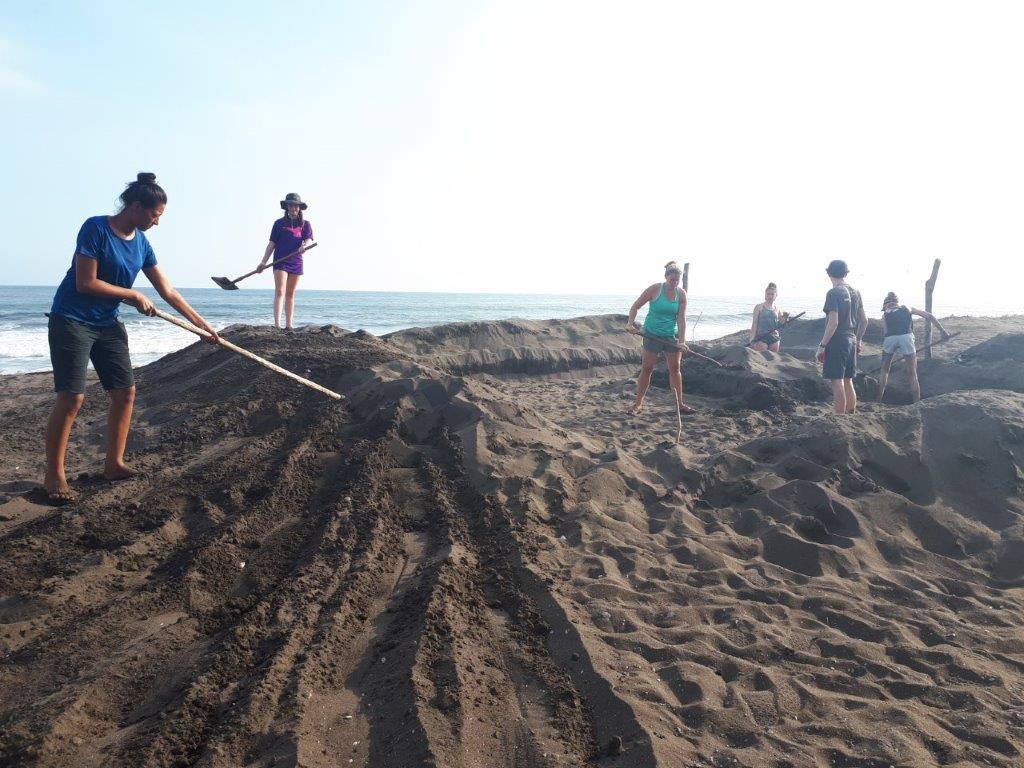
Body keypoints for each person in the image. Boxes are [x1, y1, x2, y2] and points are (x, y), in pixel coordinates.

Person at [44, 173, 220, 504]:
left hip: (107, 322)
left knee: (125, 392)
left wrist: (202, 326)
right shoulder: (95, 228)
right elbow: (86, 283)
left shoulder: (142, 243)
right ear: (137, 207)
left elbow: (167, 291)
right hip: (71, 319)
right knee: (72, 398)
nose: (156, 222)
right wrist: (132, 295)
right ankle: (54, 473)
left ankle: (114, 464)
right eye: (155, 215)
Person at [626, 261, 692, 417]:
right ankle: (638, 404)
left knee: (675, 369)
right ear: (666, 277)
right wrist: (630, 323)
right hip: (652, 334)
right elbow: (635, 306)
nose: (674, 283)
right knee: (647, 368)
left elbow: (681, 320)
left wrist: (682, 341)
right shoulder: (655, 289)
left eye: (677, 280)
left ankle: (680, 404)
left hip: (671, 336)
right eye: (672, 280)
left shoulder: (681, 294)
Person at [876, 292, 950, 403]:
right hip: (906, 337)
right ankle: (916, 401)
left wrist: (890, 348)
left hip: (890, 338)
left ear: (886, 305)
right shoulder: (907, 308)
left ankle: (879, 399)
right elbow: (929, 316)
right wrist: (942, 331)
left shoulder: (885, 314)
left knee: (885, 370)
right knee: (912, 372)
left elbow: (886, 332)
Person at [816, 260, 867, 414]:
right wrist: (858, 340)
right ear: (846, 273)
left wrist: (822, 345)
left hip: (838, 339)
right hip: (851, 338)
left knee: (836, 380)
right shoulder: (856, 292)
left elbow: (833, 323)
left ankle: (839, 418)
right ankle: (850, 414)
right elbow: (864, 321)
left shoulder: (834, 292)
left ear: (828, 273)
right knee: (848, 379)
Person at [257, 193, 313, 329]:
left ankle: (289, 325)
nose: (293, 208)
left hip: (296, 261)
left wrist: (304, 246)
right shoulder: (279, 224)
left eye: (295, 205)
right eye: (290, 205)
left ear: (299, 208)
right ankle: (277, 324)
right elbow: (271, 244)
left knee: (290, 294)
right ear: (286, 207)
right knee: (280, 291)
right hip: (280, 262)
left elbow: (308, 239)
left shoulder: (305, 224)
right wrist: (263, 262)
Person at [748, 282, 790, 352]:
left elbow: (782, 323)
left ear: (776, 295)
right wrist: (752, 339)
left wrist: (785, 318)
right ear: (765, 295)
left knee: (772, 359)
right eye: (768, 294)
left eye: (772, 294)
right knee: (761, 357)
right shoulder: (759, 307)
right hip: (761, 337)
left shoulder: (777, 309)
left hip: (774, 338)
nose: (770, 296)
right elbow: (754, 324)